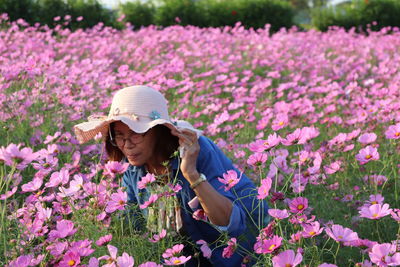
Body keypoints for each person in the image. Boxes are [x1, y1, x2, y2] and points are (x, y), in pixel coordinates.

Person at [74, 85, 269, 266]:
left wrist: (191, 174)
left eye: (135, 133)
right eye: (118, 135)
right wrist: (95, 218)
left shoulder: (197, 149)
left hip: (244, 255)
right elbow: (132, 226)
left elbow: (231, 223)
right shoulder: (134, 169)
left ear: (158, 131)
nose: (127, 144)